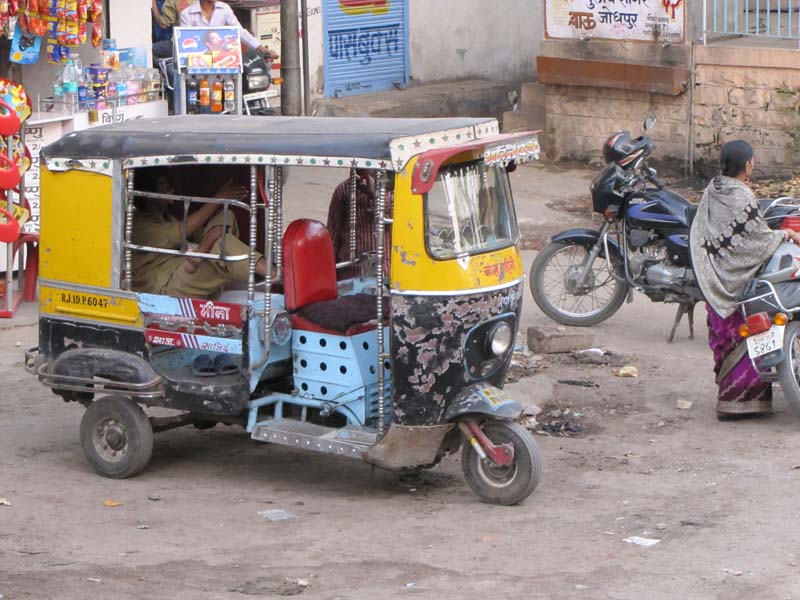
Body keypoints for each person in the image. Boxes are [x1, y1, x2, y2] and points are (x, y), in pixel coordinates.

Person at [690, 140, 800, 420]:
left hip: (715, 276)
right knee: (746, 331)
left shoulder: (714, 189)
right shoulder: (741, 195)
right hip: (738, 280)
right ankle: (748, 401)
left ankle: (730, 401)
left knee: (727, 339)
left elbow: (705, 233)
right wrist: (784, 235)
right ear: (748, 164)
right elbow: (755, 240)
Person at [131, 168, 269, 299]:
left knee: (226, 215)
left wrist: (204, 246)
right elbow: (183, 230)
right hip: (167, 285)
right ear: (148, 194)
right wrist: (217, 200)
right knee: (224, 243)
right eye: (163, 185)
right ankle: (275, 275)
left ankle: (200, 254)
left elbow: (200, 234)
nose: (170, 189)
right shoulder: (138, 224)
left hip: (186, 270)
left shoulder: (168, 219)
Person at [326, 169, 392, 281]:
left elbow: (400, 225)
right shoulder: (344, 190)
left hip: (385, 272)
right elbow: (332, 239)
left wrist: (373, 193)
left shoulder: (393, 192)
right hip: (350, 273)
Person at [179, 0, 278, 59]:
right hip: (198, 63)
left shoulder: (224, 9)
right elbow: (187, 42)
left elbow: (240, 31)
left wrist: (262, 49)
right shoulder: (187, 14)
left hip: (223, 62)